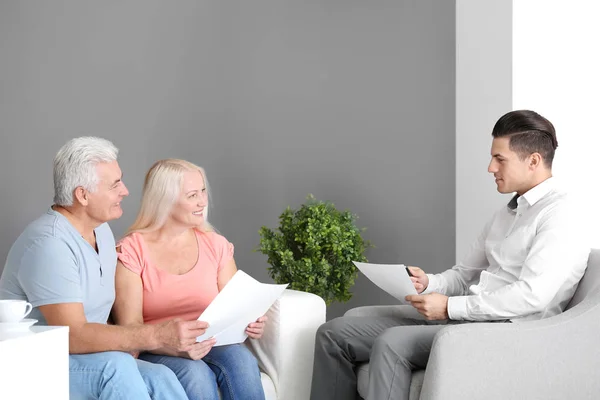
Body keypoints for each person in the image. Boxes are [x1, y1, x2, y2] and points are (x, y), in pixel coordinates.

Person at [309, 110, 590, 400]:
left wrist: (450, 308)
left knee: (392, 343)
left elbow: (532, 296)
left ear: (533, 160)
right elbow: (464, 274)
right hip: (468, 318)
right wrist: (428, 283)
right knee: (333, 334)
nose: (490, 168)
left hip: (509, 331)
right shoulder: (506, 214)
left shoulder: (561, 215)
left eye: (500, 159)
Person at [0, 137, 207, 399]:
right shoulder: (49, 244)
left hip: (87, 356)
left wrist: (131, 340)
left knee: (160, 376)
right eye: (114, 185)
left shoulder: (103, 232)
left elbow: (98, 314)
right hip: (38, 360)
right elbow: (72, 336)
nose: (125, 191)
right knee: (116, 367)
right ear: (82, 195)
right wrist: (152, 335)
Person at [112, 158, 267, 400]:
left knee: (242, 360)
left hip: (210, 341)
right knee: (195, 374)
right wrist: (175, 347)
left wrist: (250, 321)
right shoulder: (132, 250)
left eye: (203, 191)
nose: (202, 202)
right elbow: (129, 329)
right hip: (158, 347)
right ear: (165, 201)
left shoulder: (215, 244)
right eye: (192, 195)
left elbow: (235, 305)